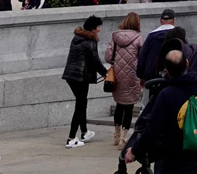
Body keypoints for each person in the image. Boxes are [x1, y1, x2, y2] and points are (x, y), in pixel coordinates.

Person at [124, 43, 197, 174]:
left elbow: (152, 130)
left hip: (176, 156)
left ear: (168, 71)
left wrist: (134, 150)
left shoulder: (166, 95)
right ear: (187, 64)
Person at [62, 15, 106, 148]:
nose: (99, 30)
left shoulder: (77, 38)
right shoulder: (90, 41)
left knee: (82, 102)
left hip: (71, 76)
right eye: (98, 27)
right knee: (80, 105)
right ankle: (71, 138)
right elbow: (95, 61)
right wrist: (106, 74)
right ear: (93, 29)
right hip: (81, 77)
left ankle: (84, 132)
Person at [108, 12, 145, 148]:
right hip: (132, 76)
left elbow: (108, 56)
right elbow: (142, 58)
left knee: (119, 105)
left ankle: (116, 136)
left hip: (117, 76)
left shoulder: (115, 37)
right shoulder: (139, 38)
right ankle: (124, 138)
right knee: (128, 107)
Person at [137, 9, 184, 84]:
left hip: (153, 74)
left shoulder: (151, 36)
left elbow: (143, 55)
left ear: (161, 21)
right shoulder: (179, 35)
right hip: (174, 74)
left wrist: (141, 75)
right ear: (173, 20)